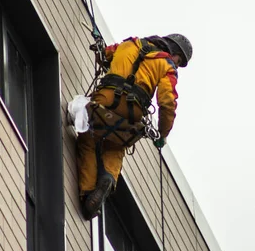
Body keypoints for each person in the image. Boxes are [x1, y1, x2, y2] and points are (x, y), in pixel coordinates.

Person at [77, 33, 192, 219]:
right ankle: (108, 178)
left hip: (105, 98)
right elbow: (167, 102)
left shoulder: (130, 44)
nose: (177, 64)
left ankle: (88, 193)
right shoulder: (166, 64)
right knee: (116, 145)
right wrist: (163, 133)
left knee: (88, 138)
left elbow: (103, 54)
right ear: (174, 50)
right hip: (133, 110)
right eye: (179, 60)